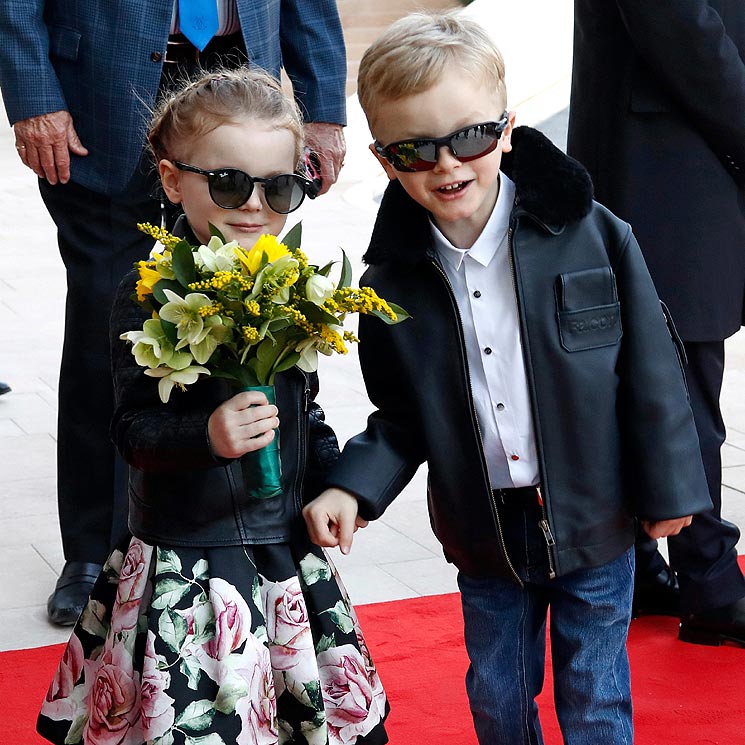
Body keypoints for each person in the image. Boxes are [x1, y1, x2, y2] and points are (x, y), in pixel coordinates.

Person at [302, 11, 712, 744]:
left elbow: (651, 371)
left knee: (593, 697)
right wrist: (350, 484)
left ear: (506, 127)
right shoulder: (390, 281)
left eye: (468, 137)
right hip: (483, 529)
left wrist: (673, 488)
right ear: (383, 157)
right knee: (494, 696)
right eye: (415, 151)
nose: (448, 166)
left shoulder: (594, 234)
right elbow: (398, 415)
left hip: (597, 516)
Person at [36, 67, 388, 745]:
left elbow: (301, 409)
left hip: (280, 551)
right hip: (185, 557)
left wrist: (334, 481)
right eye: (228, 182)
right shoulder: (146, 293)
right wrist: (206, 434)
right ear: (173, 180)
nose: (254, 204)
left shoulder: (287, 285)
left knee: (288, 718)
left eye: (279, 187)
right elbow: (131, 428)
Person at [0, 0, 347, 626]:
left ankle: (243, 527)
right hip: (100, 96)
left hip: (244, 81)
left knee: (244, 314)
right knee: (108, 328)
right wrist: (31, 94)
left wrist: (322, 107)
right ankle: (93, 553)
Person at [567, 0, 745, 645]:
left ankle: (647, 568)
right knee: (679, 376)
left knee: (663, 371)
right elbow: (680, 24)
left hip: (682, 142)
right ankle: (710, 581)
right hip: (675, 144)